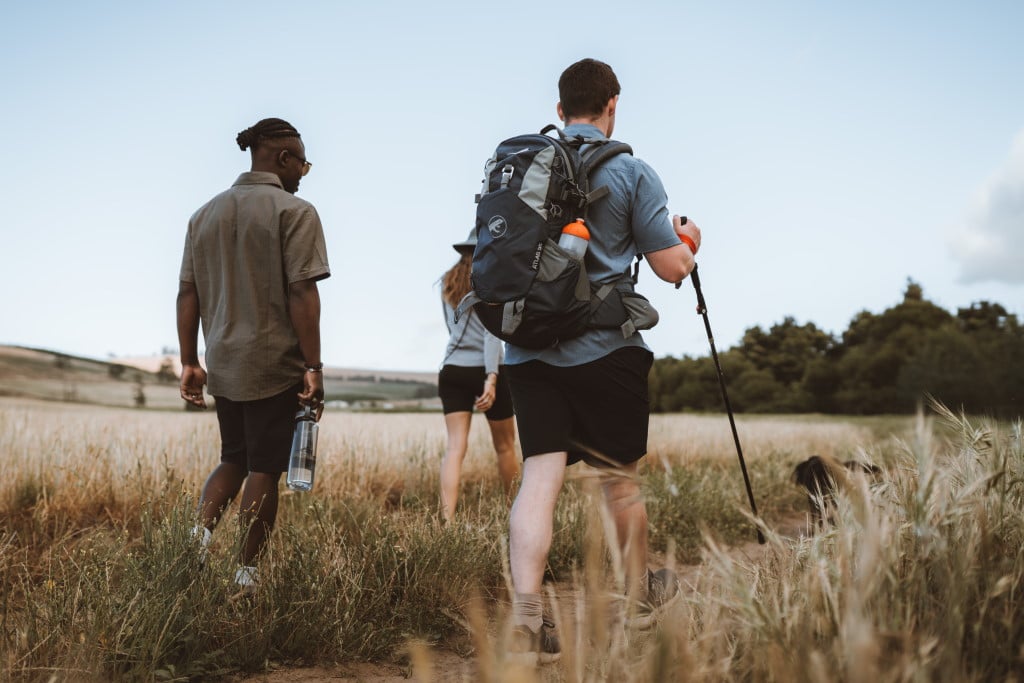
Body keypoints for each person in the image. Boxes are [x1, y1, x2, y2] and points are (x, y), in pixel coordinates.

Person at [503, 59, 703, 663]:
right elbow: (671, 269)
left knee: (540, 476)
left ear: (560, 108)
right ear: (613, 103)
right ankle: (641, 601)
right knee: (619, 481)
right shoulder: (633, 171)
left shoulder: (522, 168)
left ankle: (526, 618)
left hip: (528, 350)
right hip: (606, 349)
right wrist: (691, 241)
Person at [177, 117, 330, 592]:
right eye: (302, 162)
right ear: (282, 158)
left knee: (234, 458)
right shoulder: (295, 211)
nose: (305, 171)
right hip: (272, 362)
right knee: (265, 467)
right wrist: (313, 366)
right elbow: (302, 291)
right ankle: (246, 579)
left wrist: (190, 361)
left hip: (223, 360)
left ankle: (191, 552)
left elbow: (187, 294)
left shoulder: (203, 214)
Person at [437, 230, 519, 522]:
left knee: (455, 448)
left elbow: (451, 329)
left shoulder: (447, 282)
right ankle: (517, 513)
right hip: (486, 370)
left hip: (452, 369)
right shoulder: (491, 281)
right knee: (506, 447)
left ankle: (447, 521)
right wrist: (491, 377)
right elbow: (491, 335)